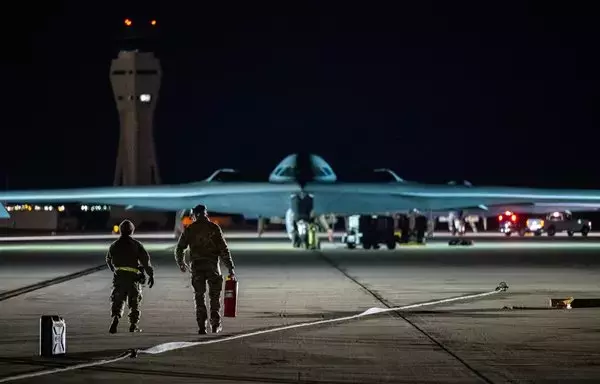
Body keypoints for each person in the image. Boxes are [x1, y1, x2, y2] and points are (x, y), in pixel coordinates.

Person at [174, 204, 235, 334]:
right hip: (213, 267)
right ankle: (215, 324)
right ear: (205, 214)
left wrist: (181, 262)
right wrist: (230, 268)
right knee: (214, 297)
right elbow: (224, 250)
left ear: (195, 214)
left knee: (199, 296)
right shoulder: (214, 228)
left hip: (197, 268)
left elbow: (180, 248)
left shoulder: (190, 229)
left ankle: (201, 326)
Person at [106, 219, 154, 334]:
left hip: (119, 276)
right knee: (134, 302)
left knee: (118, 300)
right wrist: (150, 275)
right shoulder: (136, 245)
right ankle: (133, 325)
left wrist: (114, 270)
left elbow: (108, 259)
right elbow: (145, 261)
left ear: (120, 231)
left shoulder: (114, 245)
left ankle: (116, 318)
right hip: (133, 277)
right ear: (132, 231)